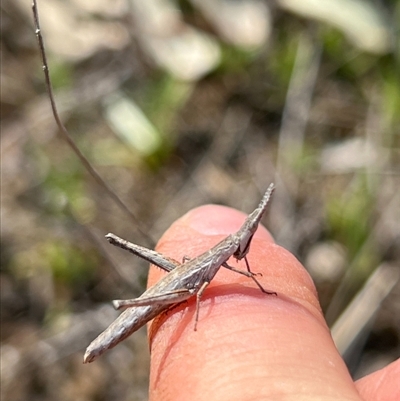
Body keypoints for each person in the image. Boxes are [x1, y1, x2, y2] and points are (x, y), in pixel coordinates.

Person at [146, 203, 399, 400]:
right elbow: (206, 287)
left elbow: (238, 266)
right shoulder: (220, 254)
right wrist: (198, 319)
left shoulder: (229, 251)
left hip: (186, 279)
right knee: (190, 289)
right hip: (170, 291)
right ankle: (129, 306)